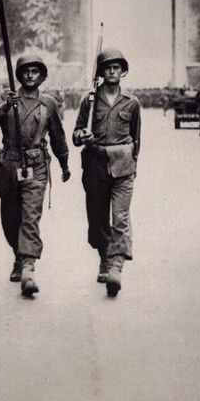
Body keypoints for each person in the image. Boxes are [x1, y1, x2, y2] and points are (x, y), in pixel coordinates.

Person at [0, 54, 70, 298]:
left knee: (31, 216)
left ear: (41, 75)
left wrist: (64, 164)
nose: (30, 75)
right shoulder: (5, 96)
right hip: (10, 165)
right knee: (10, 219)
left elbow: (58, 136)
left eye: (35, 71)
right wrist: (4, 106)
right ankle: (18, 255)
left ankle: (29, 268)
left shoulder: (48, 104)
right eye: (26, 71)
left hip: (36, 165)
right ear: (19, 75)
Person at [73, 48, 141, 298]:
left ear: (122, 71)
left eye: (117, 66)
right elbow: (76, 133)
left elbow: (136, 138)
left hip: (123, 167)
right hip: (95, 165)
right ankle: (104, 255)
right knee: (98, 217)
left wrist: (134, 167)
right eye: (107, 67)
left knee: (121, 218)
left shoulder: (132, 102)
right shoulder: (88, 100)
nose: (112, 71)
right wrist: (83, 135)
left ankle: (115, 266)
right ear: (101, 71)